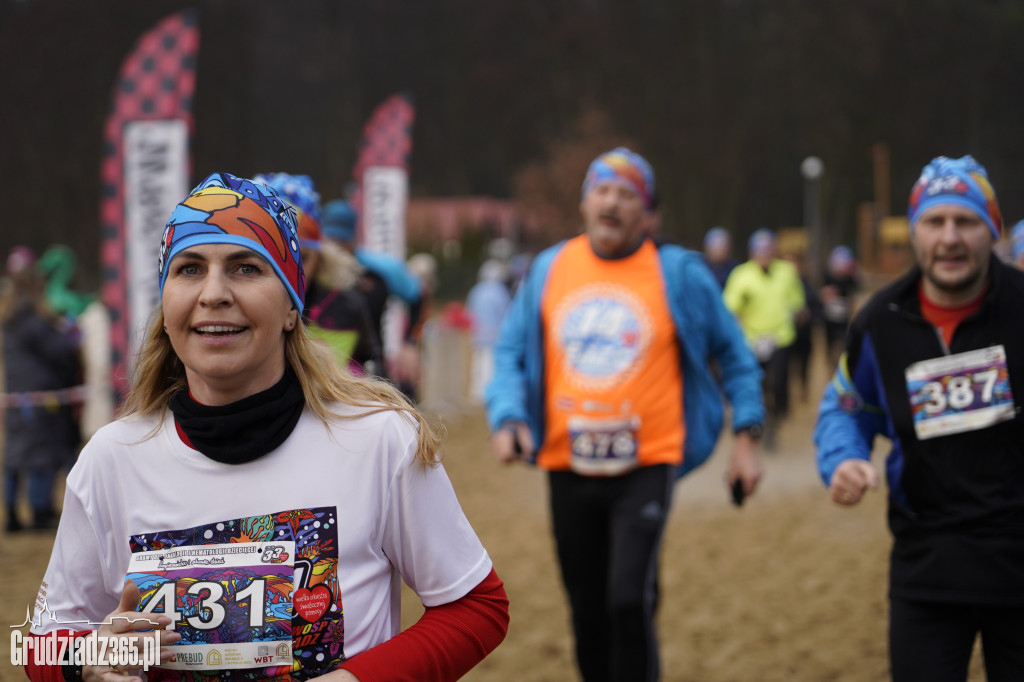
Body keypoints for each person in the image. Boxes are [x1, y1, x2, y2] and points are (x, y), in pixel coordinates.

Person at [26, 173, 508, 682]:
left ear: (291, 308)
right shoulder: (112, 458)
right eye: (189, 269)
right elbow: (41, 645)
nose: (214, 293)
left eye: (246, 268)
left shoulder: (377, 440)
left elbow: (476, 606)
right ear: (165, 307)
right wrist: (86, 662)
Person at [486, 148, 764, 682]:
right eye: (601, 189)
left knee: (627, 601)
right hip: (568, 464)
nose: (611, 201)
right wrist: (508, 417)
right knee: (587, 614)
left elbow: (735, 355)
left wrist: (747, 434)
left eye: (626, 194)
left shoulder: (678, 273)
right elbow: (509, 353)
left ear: (648, 213)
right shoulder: (549, 268)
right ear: (585, 203)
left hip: (647, 462)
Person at [814, 155, 1024, 682]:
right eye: (935, 221)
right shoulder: (881, 322)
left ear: (991, 230)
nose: (949, 237)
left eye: (966, 221)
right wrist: (844, 458)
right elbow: (845, 408)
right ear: (914, 233)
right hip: (927, 568)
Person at [254, 173, 381, 375]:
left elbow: (372, 361)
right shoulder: (235, 304)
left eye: (303, 258)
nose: (291, 271)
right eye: (274, 258)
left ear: (321, 258)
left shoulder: (348, 305)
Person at [1, 245, 82, 532]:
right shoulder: (30, 315)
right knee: (39, 456)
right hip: (40, 399)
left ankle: (11, 513)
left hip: (18, 398)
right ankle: (39, 512)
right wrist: (71, 335)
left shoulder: (10, 313)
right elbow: (58, 348)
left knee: (15, 456)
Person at [320, 200, 423, 392]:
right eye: (331, 240)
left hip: (371, 366)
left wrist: (410, 343)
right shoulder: (313, 267)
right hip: (322, 368)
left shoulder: (381, 269)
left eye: (343, 241)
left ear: (353, 239)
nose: (337, 249)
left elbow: (419, 298)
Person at [722, 228, 805, 448]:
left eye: (768, 250)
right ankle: (757, 420)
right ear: (751, 253)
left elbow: (797, 302)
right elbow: (730, 308)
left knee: (777, 383)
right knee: (757, 383)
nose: (764, 255)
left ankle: (774, 423)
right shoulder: (741, 275)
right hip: (752, 340)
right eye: (759, 251)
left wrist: (800, 314)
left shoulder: (787, 272)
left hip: (781, 337)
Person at [465, 259, 512, 403]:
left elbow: (469, 311)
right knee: (490, 365)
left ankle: (476, 392)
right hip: (494, 334)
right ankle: (487, 393)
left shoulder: (476, 290)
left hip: (478, 333)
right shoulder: (500, 291)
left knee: (478, 364)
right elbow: (506, 312)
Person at [819, 245, 860, 368]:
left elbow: (854, 296)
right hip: (829, 320)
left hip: (843, 320)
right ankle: (831, 367)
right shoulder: (826, 277)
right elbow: (819, 295)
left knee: (843, 344)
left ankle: (841, 366)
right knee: (829, 346)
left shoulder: (850, 280)